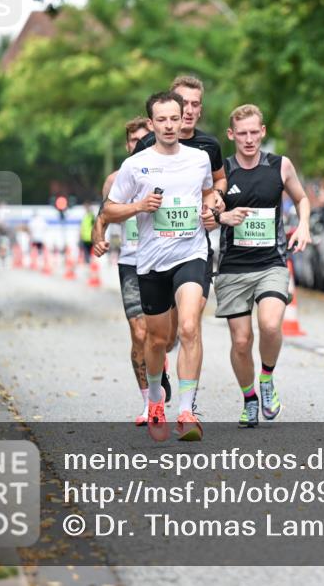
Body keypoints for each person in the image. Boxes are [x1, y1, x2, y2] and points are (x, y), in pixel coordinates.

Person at [103, 91, 220, 442]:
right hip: (152, 261)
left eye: (175, 118)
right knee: (155, 340)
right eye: (162, 120)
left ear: (183, 118)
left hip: (192, 253)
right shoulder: (135, 165)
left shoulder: (199, 159)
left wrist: (211, 209)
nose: (169, 125)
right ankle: (156, 399)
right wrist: (140, 206)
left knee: (188, 327)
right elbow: (109, 210)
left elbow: (208, 194)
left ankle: (185, 411)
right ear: (151, 124)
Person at [202, 104, 311, 427]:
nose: (249, 140)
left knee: (270, 325)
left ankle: (267, 379)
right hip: (233, 267)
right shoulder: (222, 171)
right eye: (242, 134)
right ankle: (249, 397)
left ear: (262, 132)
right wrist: (223, 216)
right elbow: (205, 216)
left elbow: (302, 198)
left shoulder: (280, 165)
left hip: (271, 263)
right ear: (231, 135)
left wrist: (303, 224)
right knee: (240, 341)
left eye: (254, 132)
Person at [91, 116, 173, 425]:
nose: (138, 144)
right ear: (127, 145)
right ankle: (148, 404)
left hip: (165, 259)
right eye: (132, 140)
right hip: (131, 261)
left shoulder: (170, 169)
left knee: (165, 335)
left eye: (143, 138)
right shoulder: (115, 180)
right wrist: (98, 238)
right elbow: (102, 217)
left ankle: (159, 363)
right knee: (140, 333)